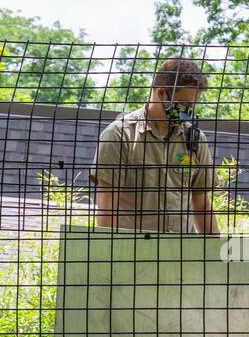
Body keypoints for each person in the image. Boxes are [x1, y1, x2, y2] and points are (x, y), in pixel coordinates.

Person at [91, 57, 219, 234]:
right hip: (133, 253)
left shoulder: (195, 140)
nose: (188, 111)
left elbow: (202, 204)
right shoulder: (120, 136)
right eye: (183, 104)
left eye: (193, 105)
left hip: (181, 254)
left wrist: (213, 256)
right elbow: (106, 211)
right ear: (161, 93)